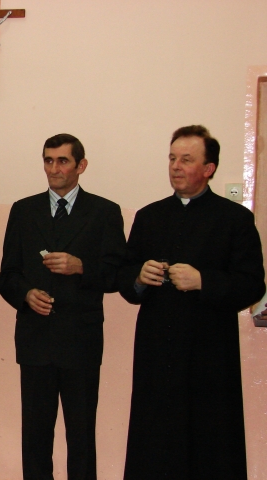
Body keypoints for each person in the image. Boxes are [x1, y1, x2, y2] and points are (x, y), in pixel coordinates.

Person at [118, 125, 265, 479]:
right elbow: (124, 280)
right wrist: (139, 278)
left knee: (209, 445)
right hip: (157, 353)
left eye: (186, 159)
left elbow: (252, 285)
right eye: (172, 158)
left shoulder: (235, 220)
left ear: (208, 168)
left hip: (209, 356)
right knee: (154, 444)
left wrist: (204, 281)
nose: (175, 166)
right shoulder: (149, 217)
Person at [0, 134, 126, 480]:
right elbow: (7, 276)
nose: (54, 168)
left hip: (80, 341)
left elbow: (117, 275)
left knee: (81, 437)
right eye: (48, 160)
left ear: (81, 166)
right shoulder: (23, 210)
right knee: (35, 437)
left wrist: (81, 266)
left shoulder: (104, 212)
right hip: (35, 340)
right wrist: (26, 294)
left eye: (63, 161)